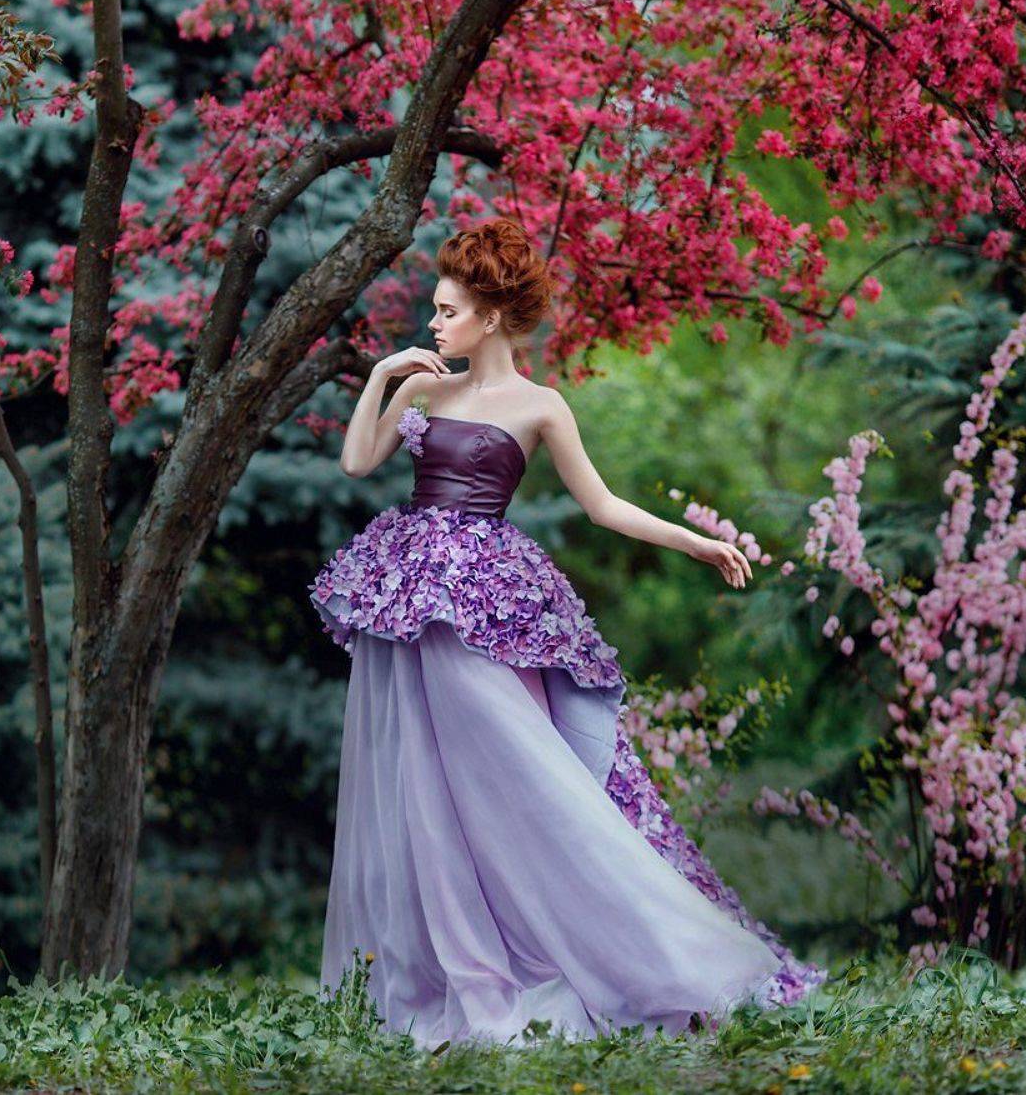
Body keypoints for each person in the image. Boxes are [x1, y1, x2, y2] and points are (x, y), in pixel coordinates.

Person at [309, 216, 827, 1048]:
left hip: (481, 603)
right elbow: (355, 461)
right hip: (412, 599)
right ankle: (458, 956)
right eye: (436, 310)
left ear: (489, 317)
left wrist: (695, 541)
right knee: (425, 787)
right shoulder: (423, 388)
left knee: (525, 771)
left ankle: (631, 948)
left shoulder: (540, 406)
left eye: (447, 311)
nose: (433, 324)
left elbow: (603, 505)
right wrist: (379, 376)